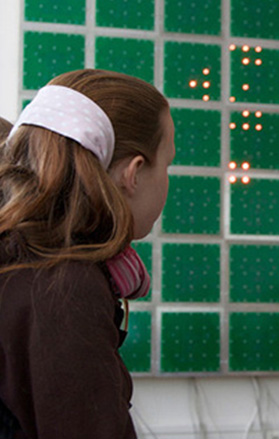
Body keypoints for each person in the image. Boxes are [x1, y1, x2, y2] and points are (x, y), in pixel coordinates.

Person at [0, 69, 175, 438]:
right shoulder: (64, 287)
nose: (167, 181)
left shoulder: (21, 262)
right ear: (134, 173)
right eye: (168, 164)